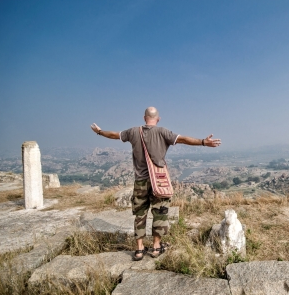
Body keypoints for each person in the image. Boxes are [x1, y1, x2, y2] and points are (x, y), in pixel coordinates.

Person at [90, 106, 221, 260]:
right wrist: (203, 142)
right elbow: (184, 139)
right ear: (157, 119)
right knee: (160, 212)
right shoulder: (162, 132)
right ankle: (156, 247)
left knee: (140, 214)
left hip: (140, 181)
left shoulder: (133, 132)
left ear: (144, 117)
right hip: (159, 181)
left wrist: (99, 132)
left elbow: (113, 135)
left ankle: (139, 249)